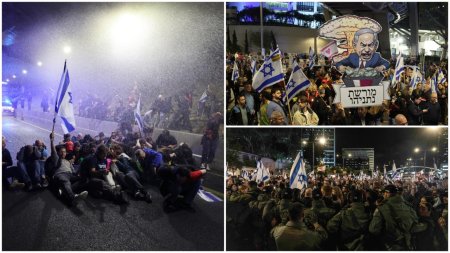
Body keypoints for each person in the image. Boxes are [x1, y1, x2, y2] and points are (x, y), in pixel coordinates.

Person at [369, 185, 425, 250]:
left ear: (387, 193)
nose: (383, 195)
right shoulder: (407, 205)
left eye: (384, 193)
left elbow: (373, 229)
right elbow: (415, 221)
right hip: (408, 244)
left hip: (391, 245)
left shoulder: (382, 208)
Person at [48, 132, 88, 206]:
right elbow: (53, 150)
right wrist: (51, 140)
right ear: (58, 153)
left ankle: (64, 191)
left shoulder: (68, 161)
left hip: (70, 175)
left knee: (83, 178)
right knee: (66, 182)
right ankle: (73, 197)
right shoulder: (56, 159)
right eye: (61, 152)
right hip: (60, 174)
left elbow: (74, 173)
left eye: (64, 152)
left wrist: (80, 169)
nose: (63, 153)